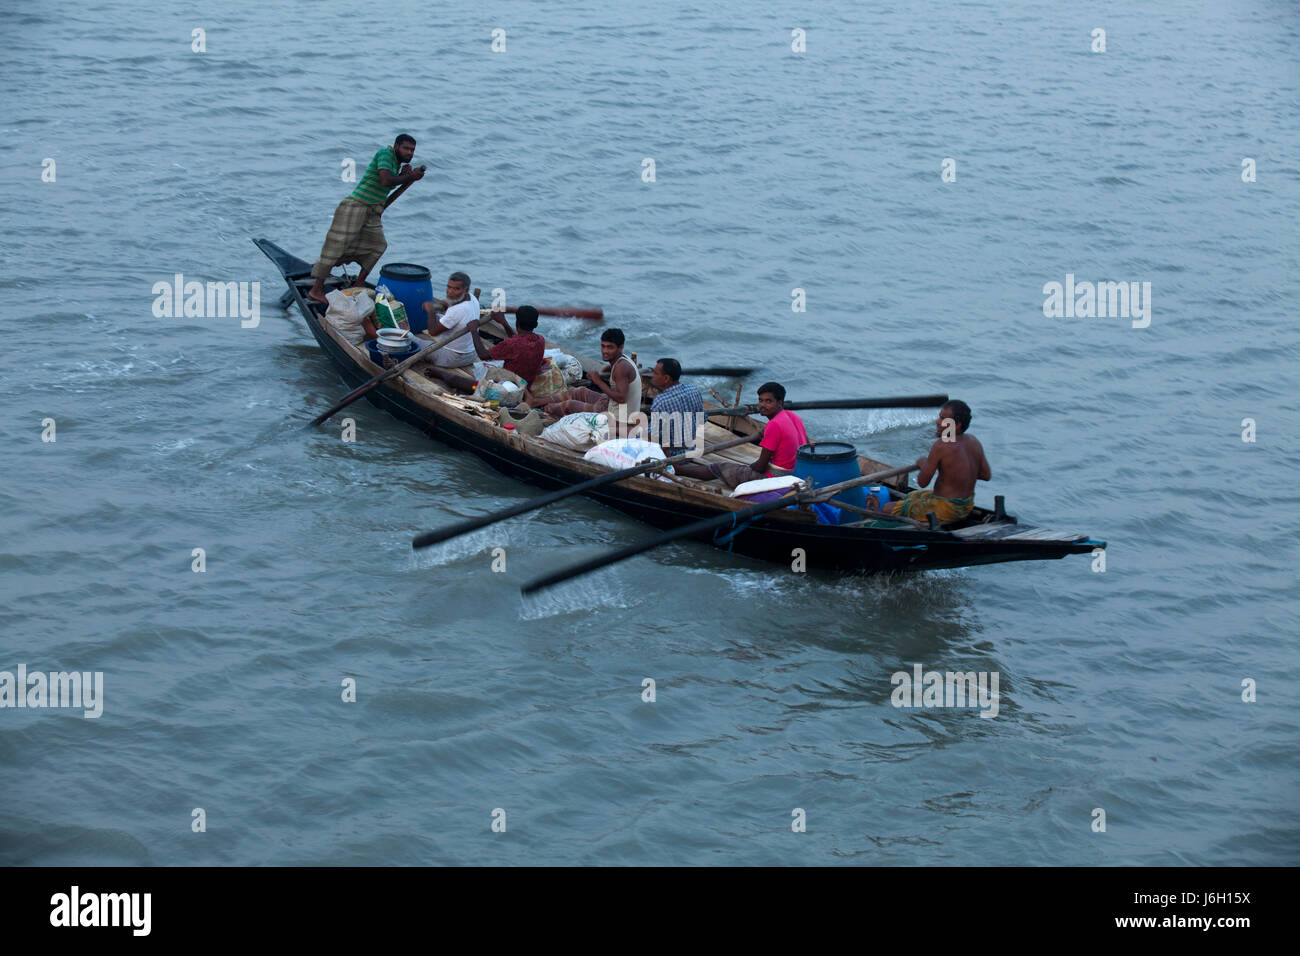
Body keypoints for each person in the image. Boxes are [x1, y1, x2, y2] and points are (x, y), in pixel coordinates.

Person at [307, 134, 426, 305]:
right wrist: (408, 177)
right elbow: (385, 180)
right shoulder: (385, 154)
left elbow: (389, 182)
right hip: (356, 206)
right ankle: (316, 290)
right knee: (336, 246)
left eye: (412, 150)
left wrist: (404, 176)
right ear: (396, 146)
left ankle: (357, 285)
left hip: (372, 210)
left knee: (378, 246)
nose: (409, 153)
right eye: (406, 148)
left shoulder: (396, 163)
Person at [675, 382, 807, 488]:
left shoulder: (774, 425)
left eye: (768, 401)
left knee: (719, 467)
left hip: (776, 477)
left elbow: (760, 467)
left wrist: (748, 468)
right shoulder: (792, 416)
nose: (762, 405)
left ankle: (678, 470)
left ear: (780, 403)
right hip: (795, 470)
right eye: (760, 401)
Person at [882, 399, 990, 523]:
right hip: (966, 506)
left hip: (946, 508)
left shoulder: (941, 445)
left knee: (886, 508)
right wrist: (956, 473)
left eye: (944, 420)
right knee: (913, 496)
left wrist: (923, 463)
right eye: (939, 417)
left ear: (957, 425)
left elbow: (922, 482)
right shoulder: (973, 441)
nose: (938, 422)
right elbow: (985, 475)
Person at [527, 328, 641, 429]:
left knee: (570, 405)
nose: (605, 351)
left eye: (610, 347)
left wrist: (598, 381)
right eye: (603, 346)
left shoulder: (622, 367)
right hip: (612, 406)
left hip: (618, 419)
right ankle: (536, 401)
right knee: (580, 391)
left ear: (620, 347)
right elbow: (617, 379)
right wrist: (601, 376)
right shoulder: (621, 360)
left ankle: (545, 409)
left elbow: (621, 398)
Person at [418, 272, 481, 382]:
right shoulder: (472, 298)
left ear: (466, 290)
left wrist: (430, 310)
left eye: (456, 289)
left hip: (452, 358)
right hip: (471, 354)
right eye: (448, 287)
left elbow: (432, 332)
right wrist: (444, 304)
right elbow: (450, 303)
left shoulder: (456, 311)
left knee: (411, 339)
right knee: (440, 317)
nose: (450, 292)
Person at [469, 305, 545, 384]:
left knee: (473, 380)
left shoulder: (511, 344)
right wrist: (504, 323)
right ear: (536, 325)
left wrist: (474, 331)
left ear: (516, 323)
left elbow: (483, 355)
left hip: (510, 385)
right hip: (527, 382)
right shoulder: (540, 340)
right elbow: (517, 339)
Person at [646, 358, 703, 455]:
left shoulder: (661, 401)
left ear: (666, 378)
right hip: (692, 449)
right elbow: (702, 419)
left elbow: (652, 435)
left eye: (655, 373)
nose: (652, 375)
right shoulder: (694, 390)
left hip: (673, 455)